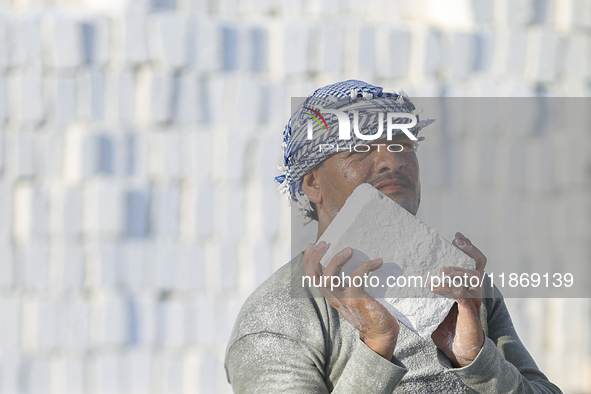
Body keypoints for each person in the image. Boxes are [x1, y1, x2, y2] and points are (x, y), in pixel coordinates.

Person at [224, 80, 561, 393]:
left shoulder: (460, 286)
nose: (392, 160)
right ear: (312, 184)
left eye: (401, 143)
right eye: (359, 147)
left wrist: (476, 359)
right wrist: (376, 346)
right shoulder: (278, 315)